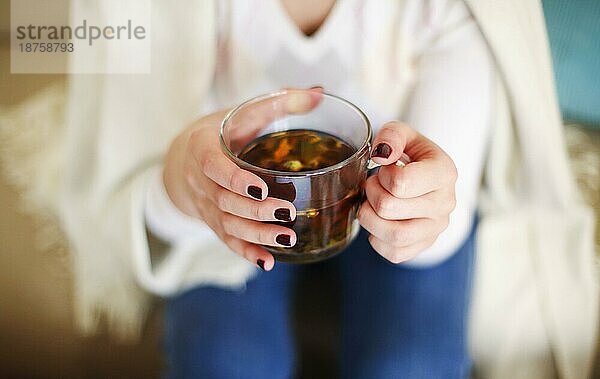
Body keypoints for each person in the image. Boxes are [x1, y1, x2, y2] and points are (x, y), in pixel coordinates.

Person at [57, 0, 597, 378]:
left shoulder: (450, 9)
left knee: (409, 367)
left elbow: (439, 220)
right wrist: (182, 185)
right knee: (228, 363)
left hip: (397, 212)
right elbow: (127, 185)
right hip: (226, 216)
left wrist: (420, 212)